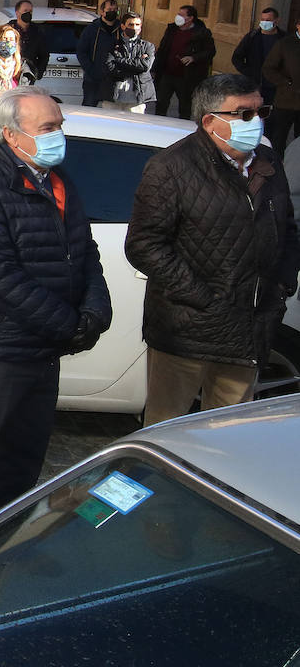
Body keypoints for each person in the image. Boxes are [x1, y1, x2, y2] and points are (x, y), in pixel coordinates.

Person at [0, 87, 111, 515]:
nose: (59, 135)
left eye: (60, 125)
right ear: (11, 134)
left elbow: (84, 250)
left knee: (22, 462)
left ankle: (5, 535)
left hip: (42, 350)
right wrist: (68, 325)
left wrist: (96, 309)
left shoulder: (57, 178)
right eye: (48, 127)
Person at [126, 74, 300, 426]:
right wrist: (204, 299)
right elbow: (144, 244)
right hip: (188, 330)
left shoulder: (267, 161)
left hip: (248, 329)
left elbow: (287, 228)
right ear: (210, 122)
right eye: (244, 114)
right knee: (168, 425)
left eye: (261, 111)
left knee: (228, 431)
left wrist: (282, 284)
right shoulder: (172, 167)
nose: (257, 121)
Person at [152, 4, 216, 119]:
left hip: (186, 77)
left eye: (181, 15)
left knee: (185, 107)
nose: (178, 17)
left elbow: (210, 52)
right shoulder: (172, 29)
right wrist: (156, 67)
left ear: (190, 18)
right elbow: (163, 49)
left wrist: (193, 58)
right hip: (167, 74)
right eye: (178, 14)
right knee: (161, 103)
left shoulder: (201, 33)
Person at [101, 12, 156, 113]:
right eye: (130, 25)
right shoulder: (111, 45)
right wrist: (136, 68)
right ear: (123, 26)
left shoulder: (148, 46)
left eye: (137, 25)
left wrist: (119, 61)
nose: (134, 28)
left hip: (136, 99)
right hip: (113, 97)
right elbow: (109, 67)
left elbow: (145, 67)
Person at [262, 16, 300, 158]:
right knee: (279, 136)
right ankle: (276, 162)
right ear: (298, 25)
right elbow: (268, 68)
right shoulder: (285, 44)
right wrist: (286, 82)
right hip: (286, 100)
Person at [76, 0, 120, 107]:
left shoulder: (121, 30)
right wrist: (92, 70)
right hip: (93, 80)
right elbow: (81, 52)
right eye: (109, 10)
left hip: (113, 80)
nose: (112, 12)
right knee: (89, 108)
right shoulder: (91, 29)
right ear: (102, 12)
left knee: (111, 112)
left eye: (115, 10)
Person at [11, 0, 49, 81]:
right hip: (10, 76)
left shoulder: (37, 32)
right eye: (25, 11)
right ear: (17, 13)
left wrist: (38, 73)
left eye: (30, 11)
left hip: (28, 78)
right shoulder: (8, 31)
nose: (28, 14)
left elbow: (44, 55)